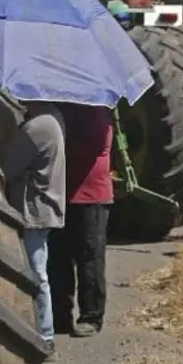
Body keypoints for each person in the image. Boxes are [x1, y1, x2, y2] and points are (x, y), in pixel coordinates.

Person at [0, 102, 66, 356]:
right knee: (38, 270)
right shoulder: (55, 118)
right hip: (46, 206)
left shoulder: (36, 127)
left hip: (33, 210)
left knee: (36, 273)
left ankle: (44, 335)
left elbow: (7, 167)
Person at [49, 103, 112, 337]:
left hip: (90, 195)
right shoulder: (62, 108)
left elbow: (96, 146)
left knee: (90, 257)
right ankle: (60, 316)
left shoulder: (95, 108)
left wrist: (57, 142)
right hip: (62, 192)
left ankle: (91, 316)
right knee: (58, 258)